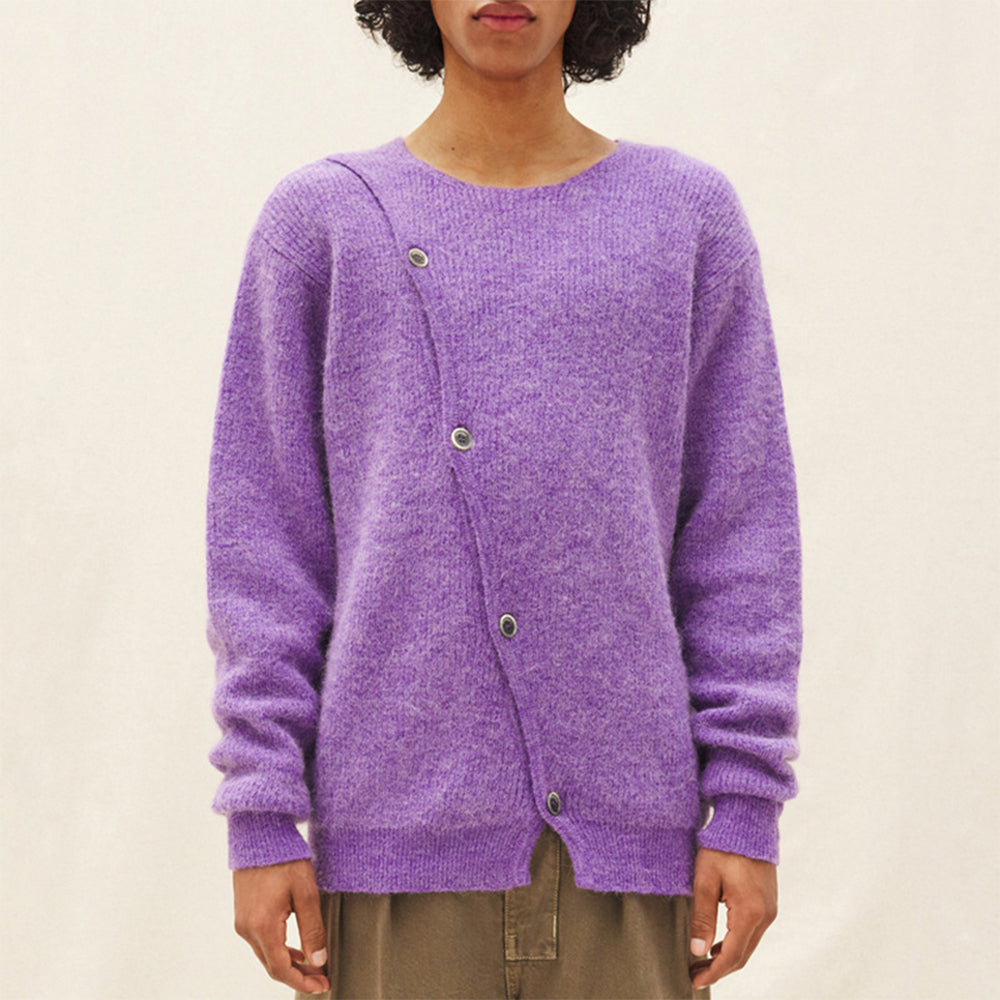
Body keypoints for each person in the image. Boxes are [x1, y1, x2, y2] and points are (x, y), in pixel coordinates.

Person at [205, 1, 802, 997]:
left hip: (633, 860)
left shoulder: (686, 218)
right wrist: (261, 812)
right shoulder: (322, 225)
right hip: (390, 856)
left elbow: (740, 537)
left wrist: (746, 802)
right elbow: (265, 549)